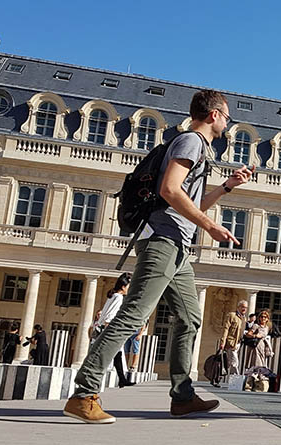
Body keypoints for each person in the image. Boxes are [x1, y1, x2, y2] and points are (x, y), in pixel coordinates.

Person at [64, 89, 253, 424]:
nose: (228, 123)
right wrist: (209, 227)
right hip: (163, 240)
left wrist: (227, 187)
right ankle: (83, 393)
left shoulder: (197, 147)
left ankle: (182, 397)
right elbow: (168, 190)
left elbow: (187, 202)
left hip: (177, 244)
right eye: (227, 116)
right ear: (213, 114)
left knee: (190, 318)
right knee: (133, 315)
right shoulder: (191, 142)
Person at [91, 274, 135, 388]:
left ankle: (122, 379)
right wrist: (109, 330)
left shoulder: (113, 296)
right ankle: (93, 379)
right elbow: (109, 316)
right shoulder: (118, 297)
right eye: (129, 286)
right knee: (105, 356)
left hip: (102, 328)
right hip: (108, 328)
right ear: (124, 286)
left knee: (117, 354)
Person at [219, 300, 248, 375]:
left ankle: (218, 377)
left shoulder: (244, 318)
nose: (244, 309)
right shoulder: (232, 315)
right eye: (242, 307)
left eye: (245, 308)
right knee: (234, 362)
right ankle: (236, 380)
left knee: (229, 362)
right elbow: (226, 329)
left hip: (238, 343)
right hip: (231, 342)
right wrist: (223, 342)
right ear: (238, 307)